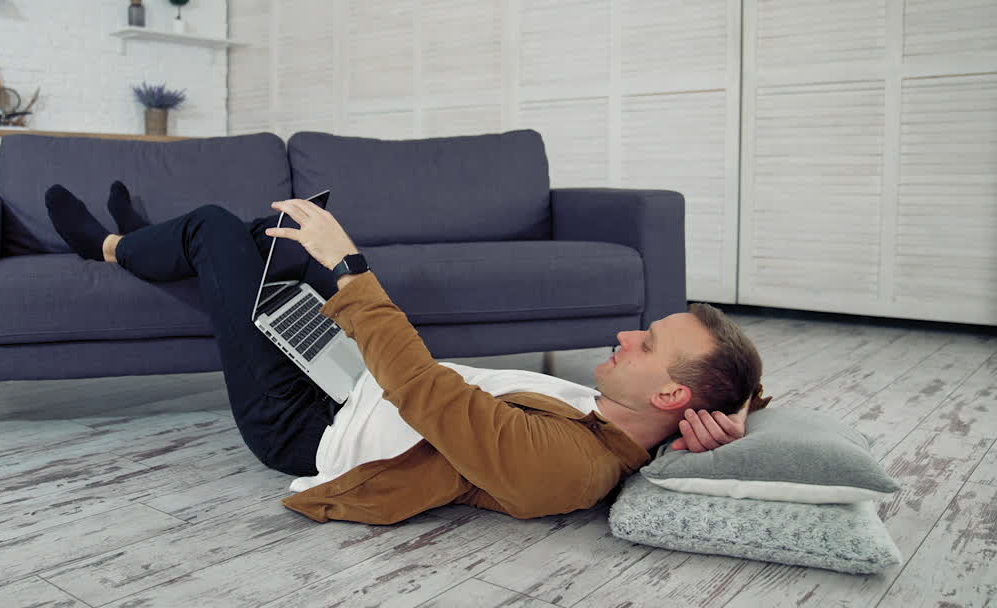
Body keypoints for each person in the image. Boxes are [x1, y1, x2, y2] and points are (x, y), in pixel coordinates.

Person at [45, 182, 772, 525]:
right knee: (272, 245)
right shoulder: (629, 415)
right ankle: (155, 245)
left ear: (673, 395)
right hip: (353, 380)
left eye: (646, 345)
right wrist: (730, 414)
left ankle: (116, 246)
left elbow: (427, 395)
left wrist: (353, 270)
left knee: (216, 227)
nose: (625, 335)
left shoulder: (571, 467)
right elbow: (737, 399)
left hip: (303, 424)